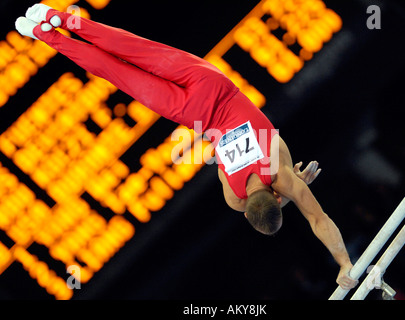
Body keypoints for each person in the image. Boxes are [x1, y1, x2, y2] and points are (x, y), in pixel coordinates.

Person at [15, 4, 358, 290]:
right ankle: (45, 34)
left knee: (136, 48)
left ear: (277, 199)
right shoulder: (235, 199)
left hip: (211, 84)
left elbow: (317, 216)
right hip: (192, 116)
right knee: (116, 73)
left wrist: (344, 262)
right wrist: (288, 187)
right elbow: (262, 189)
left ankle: (64, 19)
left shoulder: (279, 172)